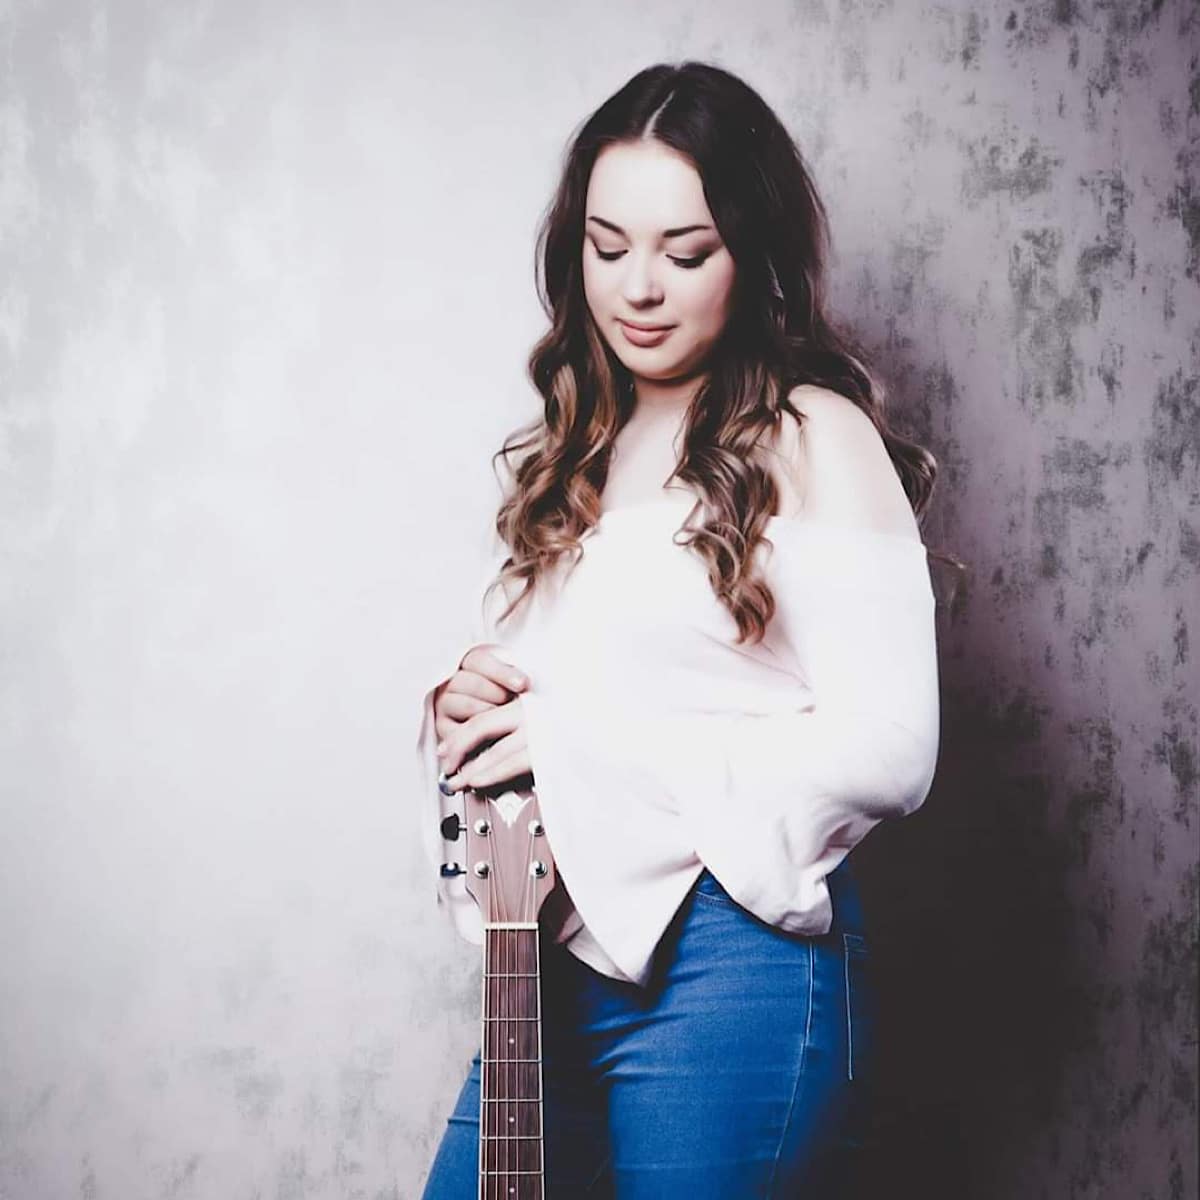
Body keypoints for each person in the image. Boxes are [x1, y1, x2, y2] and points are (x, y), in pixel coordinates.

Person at [414, 60, 953, 1198]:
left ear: (750, 256)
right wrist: (472, 715)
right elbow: (552, 731)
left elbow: (895, 751)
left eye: (685, 251)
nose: (639, 288)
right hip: (548, 960)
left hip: (735, 965)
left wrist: (577, 740)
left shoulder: (815, 434)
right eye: (608, 248)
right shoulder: (567, 453)